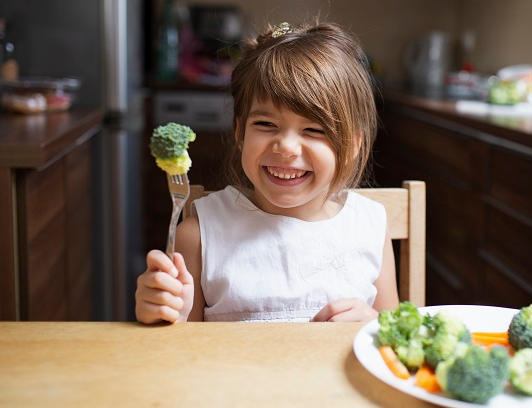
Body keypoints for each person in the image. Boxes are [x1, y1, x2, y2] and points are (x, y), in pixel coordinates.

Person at [135, 22, 399, 324]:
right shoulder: (198, 236)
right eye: (265, 125)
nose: (286, 147)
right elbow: (175, 354)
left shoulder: (369, 227)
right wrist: (161, 312)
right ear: (240, 132)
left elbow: (395, 343)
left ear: (352, 145)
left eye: (313, 130)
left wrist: (374, 323)